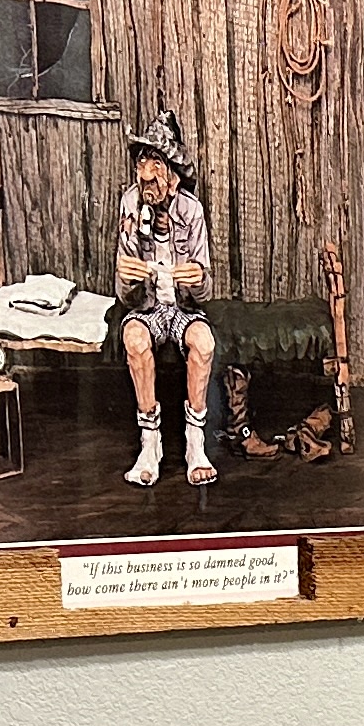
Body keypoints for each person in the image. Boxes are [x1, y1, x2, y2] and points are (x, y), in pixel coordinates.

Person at [114, 109, 220, 486]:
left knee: (203, 343)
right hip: (147, 309)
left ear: (173, 176)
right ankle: (150, 443)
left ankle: (195, 443)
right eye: (142, 161)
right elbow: (125, 296)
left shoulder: (192, 212)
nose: (147, 175)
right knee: (135, 340)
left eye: (155, 163)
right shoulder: (129, 206)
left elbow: (205, 293)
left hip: (181, 310)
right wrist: (127, 279)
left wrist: (197, 280)